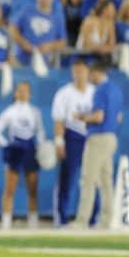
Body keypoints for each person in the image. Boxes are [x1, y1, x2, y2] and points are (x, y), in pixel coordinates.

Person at [74, 61, 123, 229]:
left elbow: (98, 117)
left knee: (88, 179)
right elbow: (119, 117)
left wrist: (82, 117)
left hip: (98, 138)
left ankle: (81, 221)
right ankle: (107, 220)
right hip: (111, 137)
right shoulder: (116, 89)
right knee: (106, 180)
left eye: (90, 75)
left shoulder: (100, 90)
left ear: (95, 73)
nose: (89, 79)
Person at [51, 59, 95, 226]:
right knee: (67, 178)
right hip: (72, 137)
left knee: (92, 179)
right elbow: (59, 120)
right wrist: (59, 142)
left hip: (91, 137)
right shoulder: (64, 93)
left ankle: (92, 218)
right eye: (76, 72)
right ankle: (61, 217)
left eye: (82, 71)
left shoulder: (95, 92)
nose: (79, 75)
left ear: (88, 72)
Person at [0, 82, 46, 229]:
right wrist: (6, 144)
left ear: (30, 94)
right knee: (10, 188)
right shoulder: (9, 111)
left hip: (30, 149)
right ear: (15, 93)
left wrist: (41, 147)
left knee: (33, 188)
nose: (22, 94)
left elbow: (40, 131)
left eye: (25, 91)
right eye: (20, 91)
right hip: (15, 150)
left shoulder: (35, 112)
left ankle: (33, 221)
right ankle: (6, 221)